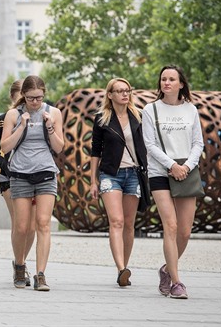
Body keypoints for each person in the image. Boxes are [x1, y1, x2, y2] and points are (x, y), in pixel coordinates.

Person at [142, 65, 203, 300]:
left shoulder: (191, 110)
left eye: (171, 79)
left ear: (181, 84)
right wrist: (171, 166)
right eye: (163, 79)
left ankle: (167, 270)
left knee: (185, 232)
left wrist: (186, 166)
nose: (166, 83)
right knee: (171, 226)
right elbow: (150, 144)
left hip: (186, 171)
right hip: (160, 171)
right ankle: (177, 282)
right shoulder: (150, 110)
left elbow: (198, 142)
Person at [0, 75, 64, 291]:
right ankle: (19, 265)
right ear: (23, 96)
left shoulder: (53, 113)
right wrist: (22, 126)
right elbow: (5, 147)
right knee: (22, 226)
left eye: (39, 98)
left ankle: (41, 274)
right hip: (20, 174)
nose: (35, 102)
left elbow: (59, 147)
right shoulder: (13, 114)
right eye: (30, 98)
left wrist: (50, 127)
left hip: (45, 172)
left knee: (43, 224)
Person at [90, 78, 147, 287]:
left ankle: (126, 267)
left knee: (129, 224)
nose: (125, 94)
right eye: (119, 91)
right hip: (110, 174)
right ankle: (121, 269)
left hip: (134, 174)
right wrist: (92, 181)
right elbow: (95, 151)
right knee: (117, 221)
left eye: (127, 90)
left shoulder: (138, 116)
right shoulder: (102, 119)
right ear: (110, 95)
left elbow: (147, 144)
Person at [0, 79, 36, 287]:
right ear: (13, 97)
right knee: (20, 223)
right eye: (20, 99)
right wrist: (8, 166)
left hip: (35, 175)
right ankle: (21, 266)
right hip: (10, 177)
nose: (23, 105)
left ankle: (20, 262)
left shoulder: (40, 117)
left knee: (32, 226)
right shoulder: (3, 120)